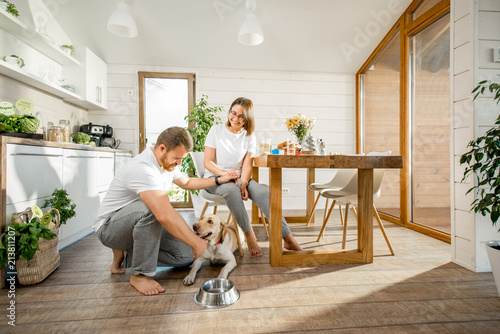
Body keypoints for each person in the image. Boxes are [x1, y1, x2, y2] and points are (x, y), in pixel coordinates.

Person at [92, 127, 237, 296]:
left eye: (181, 159)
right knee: (154, 209)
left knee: (186, 256)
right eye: (177, 158)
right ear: (162, 148)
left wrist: (219, 179)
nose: (179, 163)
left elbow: (188, 182)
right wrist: (196, 241)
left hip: (139, 228)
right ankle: (140, 274)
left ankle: (128, 256)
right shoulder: (143, 168)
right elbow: (163, 214)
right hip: (110, 228)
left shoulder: (167, 164)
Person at [203, 97, 303, 256]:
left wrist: (243, 182)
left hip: (238, 178)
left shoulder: (249, 136)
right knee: (231, 190)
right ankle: (249, 236)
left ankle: (288, 238)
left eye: (241, 116)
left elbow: (247, 164)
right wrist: (225, 174)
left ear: (247, 119)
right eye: (233, 113)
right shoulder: (216, 131)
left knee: (263, 193)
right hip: (215, 178)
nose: (235, 119)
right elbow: (207, 162)